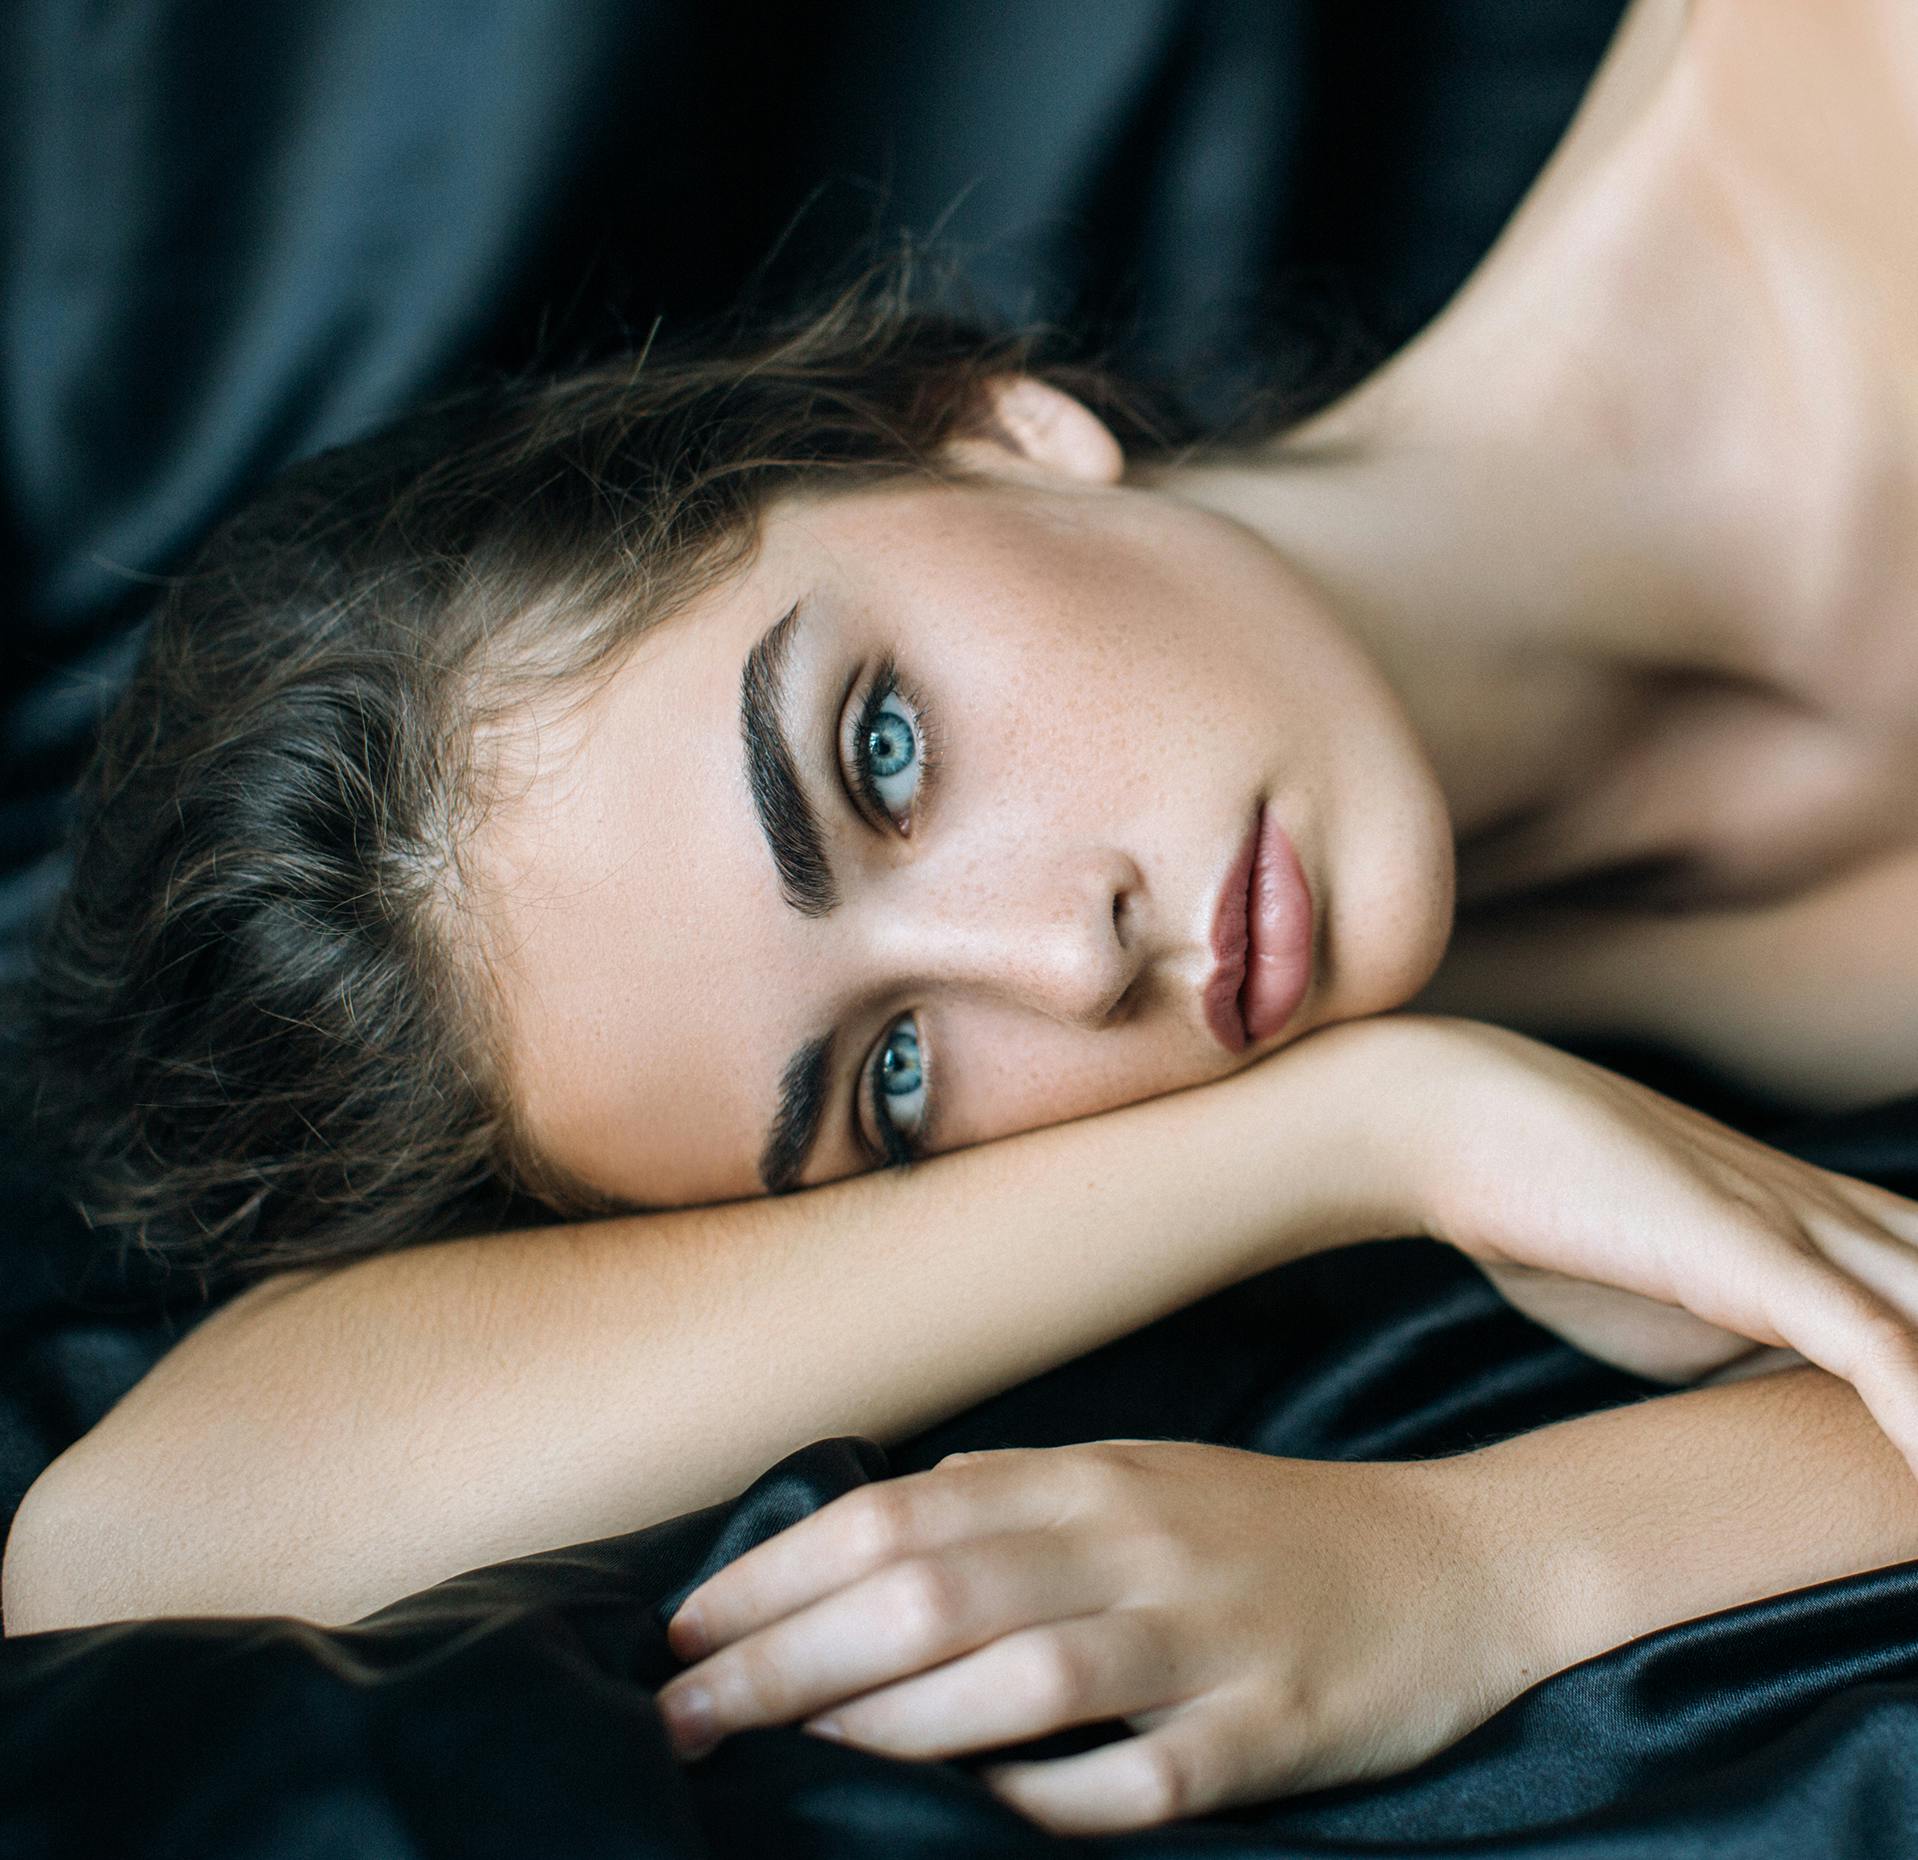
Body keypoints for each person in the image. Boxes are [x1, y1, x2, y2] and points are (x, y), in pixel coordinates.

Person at [9, 0, 1918, 1833]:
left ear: (977, 424)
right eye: (893, 1077)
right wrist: (1368, 1173)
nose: (1065, 964)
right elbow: (133, 1548)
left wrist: (1505, 1559)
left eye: (884, 751)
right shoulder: (1436, 1059)